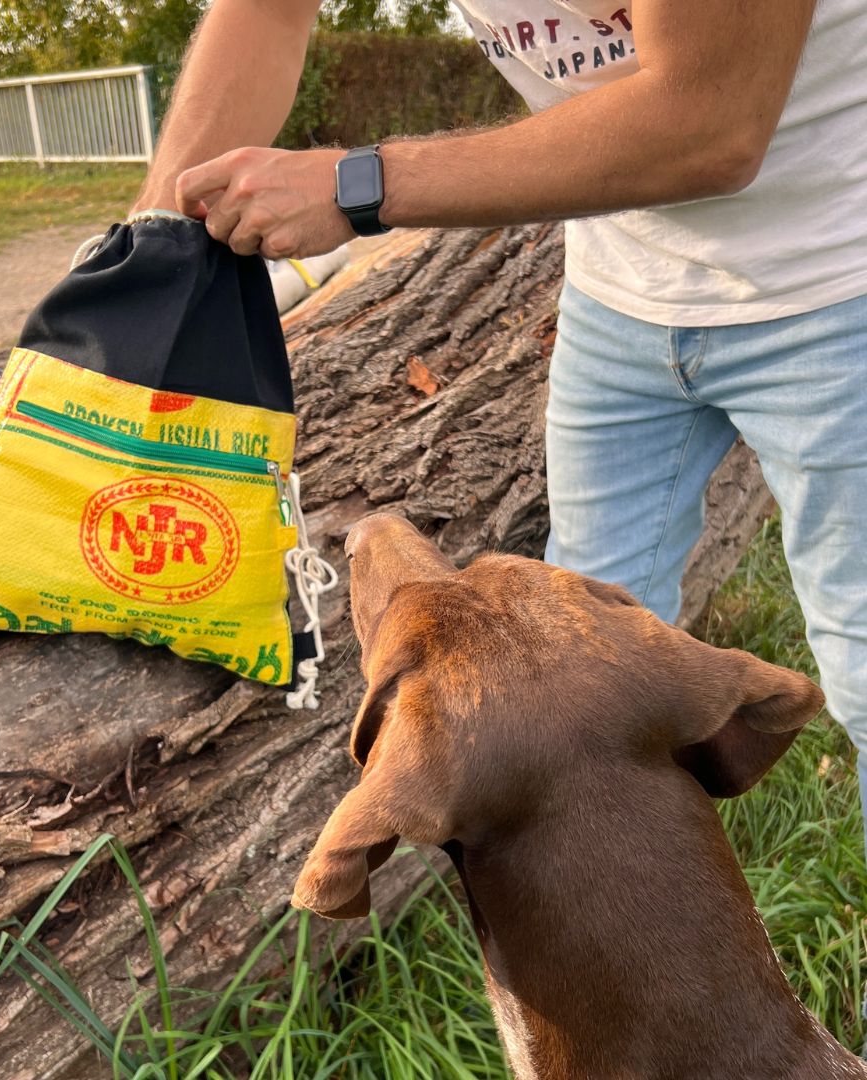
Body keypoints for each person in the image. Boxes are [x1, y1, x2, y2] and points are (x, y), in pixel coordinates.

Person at [132, 0, 867, 848]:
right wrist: (150, 256)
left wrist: (356, 185)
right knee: (571, 676)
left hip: (837, 278)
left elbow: (710, 121)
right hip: (622, 294)